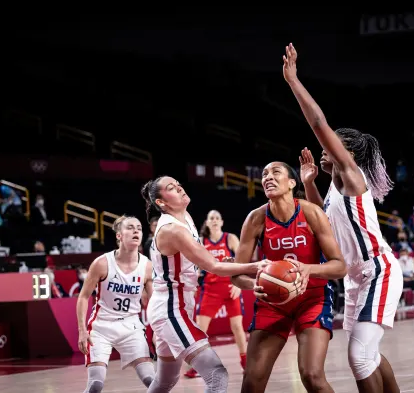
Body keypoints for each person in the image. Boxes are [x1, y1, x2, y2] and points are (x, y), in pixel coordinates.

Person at [283, 43, 403, 393]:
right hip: (355, 277)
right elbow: (323, 220)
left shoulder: (353, 177)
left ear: (345, 152)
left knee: (359, 357)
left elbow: (319, 123)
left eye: (330, 146)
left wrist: (293, 81)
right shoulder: (336, 189)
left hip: (377, 271)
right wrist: (308, 185)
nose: (323, 149)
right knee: (371, 355)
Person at [141, 176, 270, 393]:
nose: (180, 188)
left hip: (175, 307)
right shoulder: (172, 230)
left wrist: (224, 263)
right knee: (216, 374)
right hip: (171, 311)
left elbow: (203, 259)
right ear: (161, 203)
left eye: (179, 184)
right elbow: (212, 266)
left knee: (165, 381)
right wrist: (255, 266)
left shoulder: (185, 217)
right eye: (172, 188)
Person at [231, 161, 347, 393]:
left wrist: (308, 269)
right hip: (272, 304)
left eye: (275, 172)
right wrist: (254, 284)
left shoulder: (311, 213)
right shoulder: (255, 219)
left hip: (312, 299)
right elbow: (236, 274)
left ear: (292, 183)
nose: (268, 177)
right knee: (252, 381)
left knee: (312, 376)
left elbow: (339, 266)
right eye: (264, 174)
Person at [76, 215, 156, 393]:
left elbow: (155, 303)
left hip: (131, 325)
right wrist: (82, 331)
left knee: (152, 380)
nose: (136, 230)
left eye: (139, 228)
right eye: (130, 227)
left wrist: (158, 331)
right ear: (119, 236)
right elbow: (83, 297)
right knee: (95, 385)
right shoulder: (102, 263)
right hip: (101, 326)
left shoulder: (147, 266)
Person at [184, 210, 247, 378]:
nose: (214, 220)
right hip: (210, 290)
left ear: (222, 222)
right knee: (200, 329)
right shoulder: (202, 242)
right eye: (211, 218)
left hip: (230, 287)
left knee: (237, 327)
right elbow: (195, 264)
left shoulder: (230, 238)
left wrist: (239, 284)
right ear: (207, 222)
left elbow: (243, 259)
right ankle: (200, 365)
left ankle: (245, 360)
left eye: (217, 218)